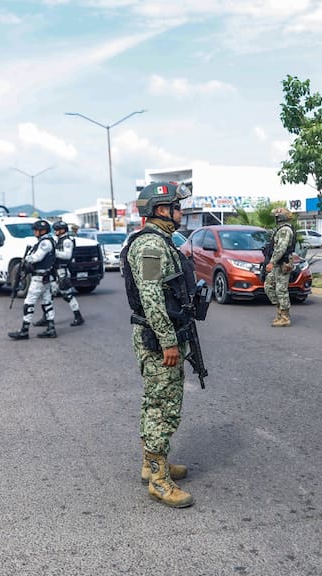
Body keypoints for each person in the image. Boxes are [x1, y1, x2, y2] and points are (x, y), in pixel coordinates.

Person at [126, 181, 195, 508]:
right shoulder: (151, 246)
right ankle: (159, 481)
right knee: (163, 408)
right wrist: (168, 341)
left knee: (155, 401)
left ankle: (152, 464)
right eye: (177, 206)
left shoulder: (160, 242)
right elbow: (151, 297)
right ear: (161, 210)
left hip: (162, 335)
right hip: (158, 339)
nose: (182, 211)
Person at [8, 219, 57, 340]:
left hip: (39, 278)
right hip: (45, 277)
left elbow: (37, 257)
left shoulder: (45, 243)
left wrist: (27, 259)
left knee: (29, 303)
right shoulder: (46, 241)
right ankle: (51, 328)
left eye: (36, 230)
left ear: (42, 231)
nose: (34, 232)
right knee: (47, 302)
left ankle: (24, 330)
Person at [31, 221, 85, 328]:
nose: (55, 231)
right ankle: (46, 317)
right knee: (47, 296)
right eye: (55, 229)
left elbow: (67, 255)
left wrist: (53, 252)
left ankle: (78, 316)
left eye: (57, 229)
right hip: (55, 271)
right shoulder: (59, 240)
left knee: (67, 295)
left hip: (62, 272)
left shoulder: (67, 241)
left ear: (63, 230)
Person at [263, 207, 296, 327]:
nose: (276, 218)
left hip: (283, 263)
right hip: (278, 263)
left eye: (277, 216)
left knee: (281, 290)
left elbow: (281, 248)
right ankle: (280, 311)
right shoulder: (280, 229)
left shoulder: (285, 230)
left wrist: (272, 262)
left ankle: (285, 317)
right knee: (269, 286)